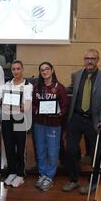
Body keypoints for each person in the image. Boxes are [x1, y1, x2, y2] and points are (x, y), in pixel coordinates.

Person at [62, 50, 101, 194]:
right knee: (70, 150)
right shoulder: (76, 75)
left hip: (94, 120)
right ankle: (73, 180)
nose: (90, 61)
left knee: (96, 153)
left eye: (93, 59)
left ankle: (93, 183)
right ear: (83, 59)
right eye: (87, 58)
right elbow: (70, 91)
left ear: (98, 60)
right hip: (76, 118)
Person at [32, 62, 68, 192]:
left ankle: (49, 177)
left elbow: (64, 107)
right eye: (42, 70)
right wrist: (37, 111)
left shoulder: (60, 88)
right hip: (39, 123)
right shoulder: (37, 87)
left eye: (47, 69)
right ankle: (42, 175)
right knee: (40, 149)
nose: (44, 72)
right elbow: (33, 105)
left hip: (54, 124)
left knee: (52, 151)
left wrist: (57, 112)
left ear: (52, 70)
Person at [0, 60, 33, 188]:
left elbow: (26, 107)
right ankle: (12, 172)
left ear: (22, 69)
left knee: (20, 148)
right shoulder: (6, 85)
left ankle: (20, 174)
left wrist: (11, 105)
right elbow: (2, 104)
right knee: (8, 147)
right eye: (13, 69)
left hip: (20, 120)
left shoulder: (28, 86)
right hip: (7, 119)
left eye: (18, 69)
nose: (16, 71)